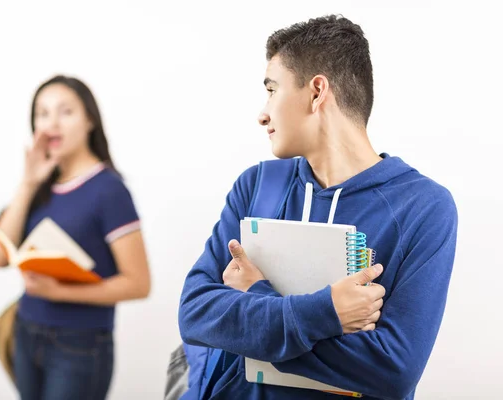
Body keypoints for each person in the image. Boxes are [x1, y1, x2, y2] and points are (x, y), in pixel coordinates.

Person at [178, 14, 457, 400]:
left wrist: (255, 299)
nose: (263, 113)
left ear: (316, 91)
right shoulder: (257, 185)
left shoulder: (424, 208)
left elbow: (393, 371)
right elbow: (195, 313)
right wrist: (325, 313)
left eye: (272, 89)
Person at [0, 75, 151, 399]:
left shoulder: (109, 190)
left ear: (89, 119)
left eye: (65, 112)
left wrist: (59, 291)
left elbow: (139, 284)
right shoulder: (39, 185)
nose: (52, 123)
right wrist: (29, 182)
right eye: (43, 113)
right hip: (26, 332)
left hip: (79, 345)